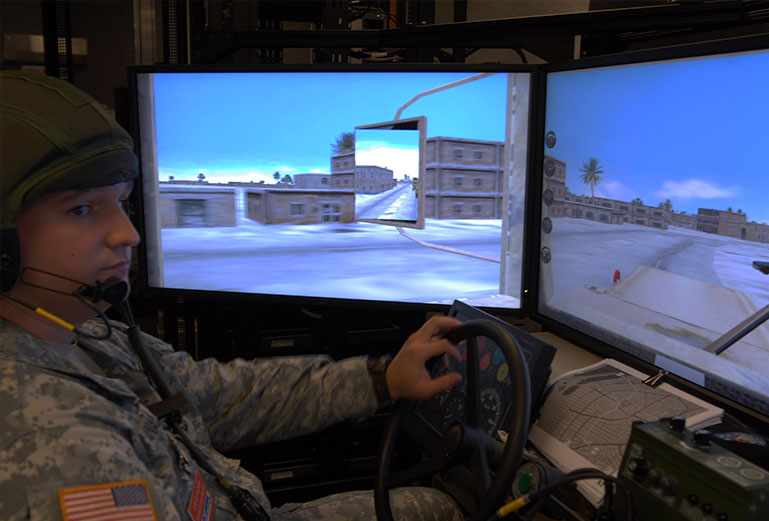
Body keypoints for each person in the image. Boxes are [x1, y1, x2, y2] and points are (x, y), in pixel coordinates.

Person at [0, 71, 465, 521]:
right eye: (81, 209)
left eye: (120, 202)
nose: (128, 234)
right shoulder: (57, 443)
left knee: (433, 506)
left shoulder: (82, 333)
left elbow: (214, 396)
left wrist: (382, 378)